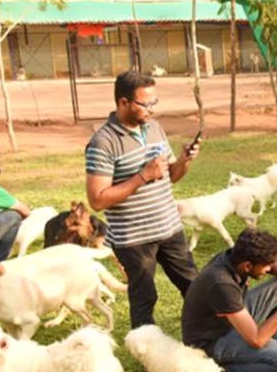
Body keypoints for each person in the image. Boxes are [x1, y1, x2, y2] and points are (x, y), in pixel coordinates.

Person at [86, 70, 202, 329]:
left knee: (194, 286)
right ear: (123, 103)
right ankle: (146, 352)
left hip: (169, 228)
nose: (151, 109)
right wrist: (142, 176)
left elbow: (170, 175)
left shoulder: (154, 129)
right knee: (144, 298)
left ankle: (208, 339)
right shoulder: (103, 143)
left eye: (154, 103)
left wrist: (184, 160)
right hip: (133, 239)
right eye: (145, 104)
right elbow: (97, 200)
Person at [181, 229, 277, 372]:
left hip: (229, 318)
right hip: (211, 342)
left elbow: (272, 269)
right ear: (247, 265)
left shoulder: (233, 257)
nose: (270, 269)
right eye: (267, 266)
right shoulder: (221, 283)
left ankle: (268, 343)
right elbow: (257, 340)